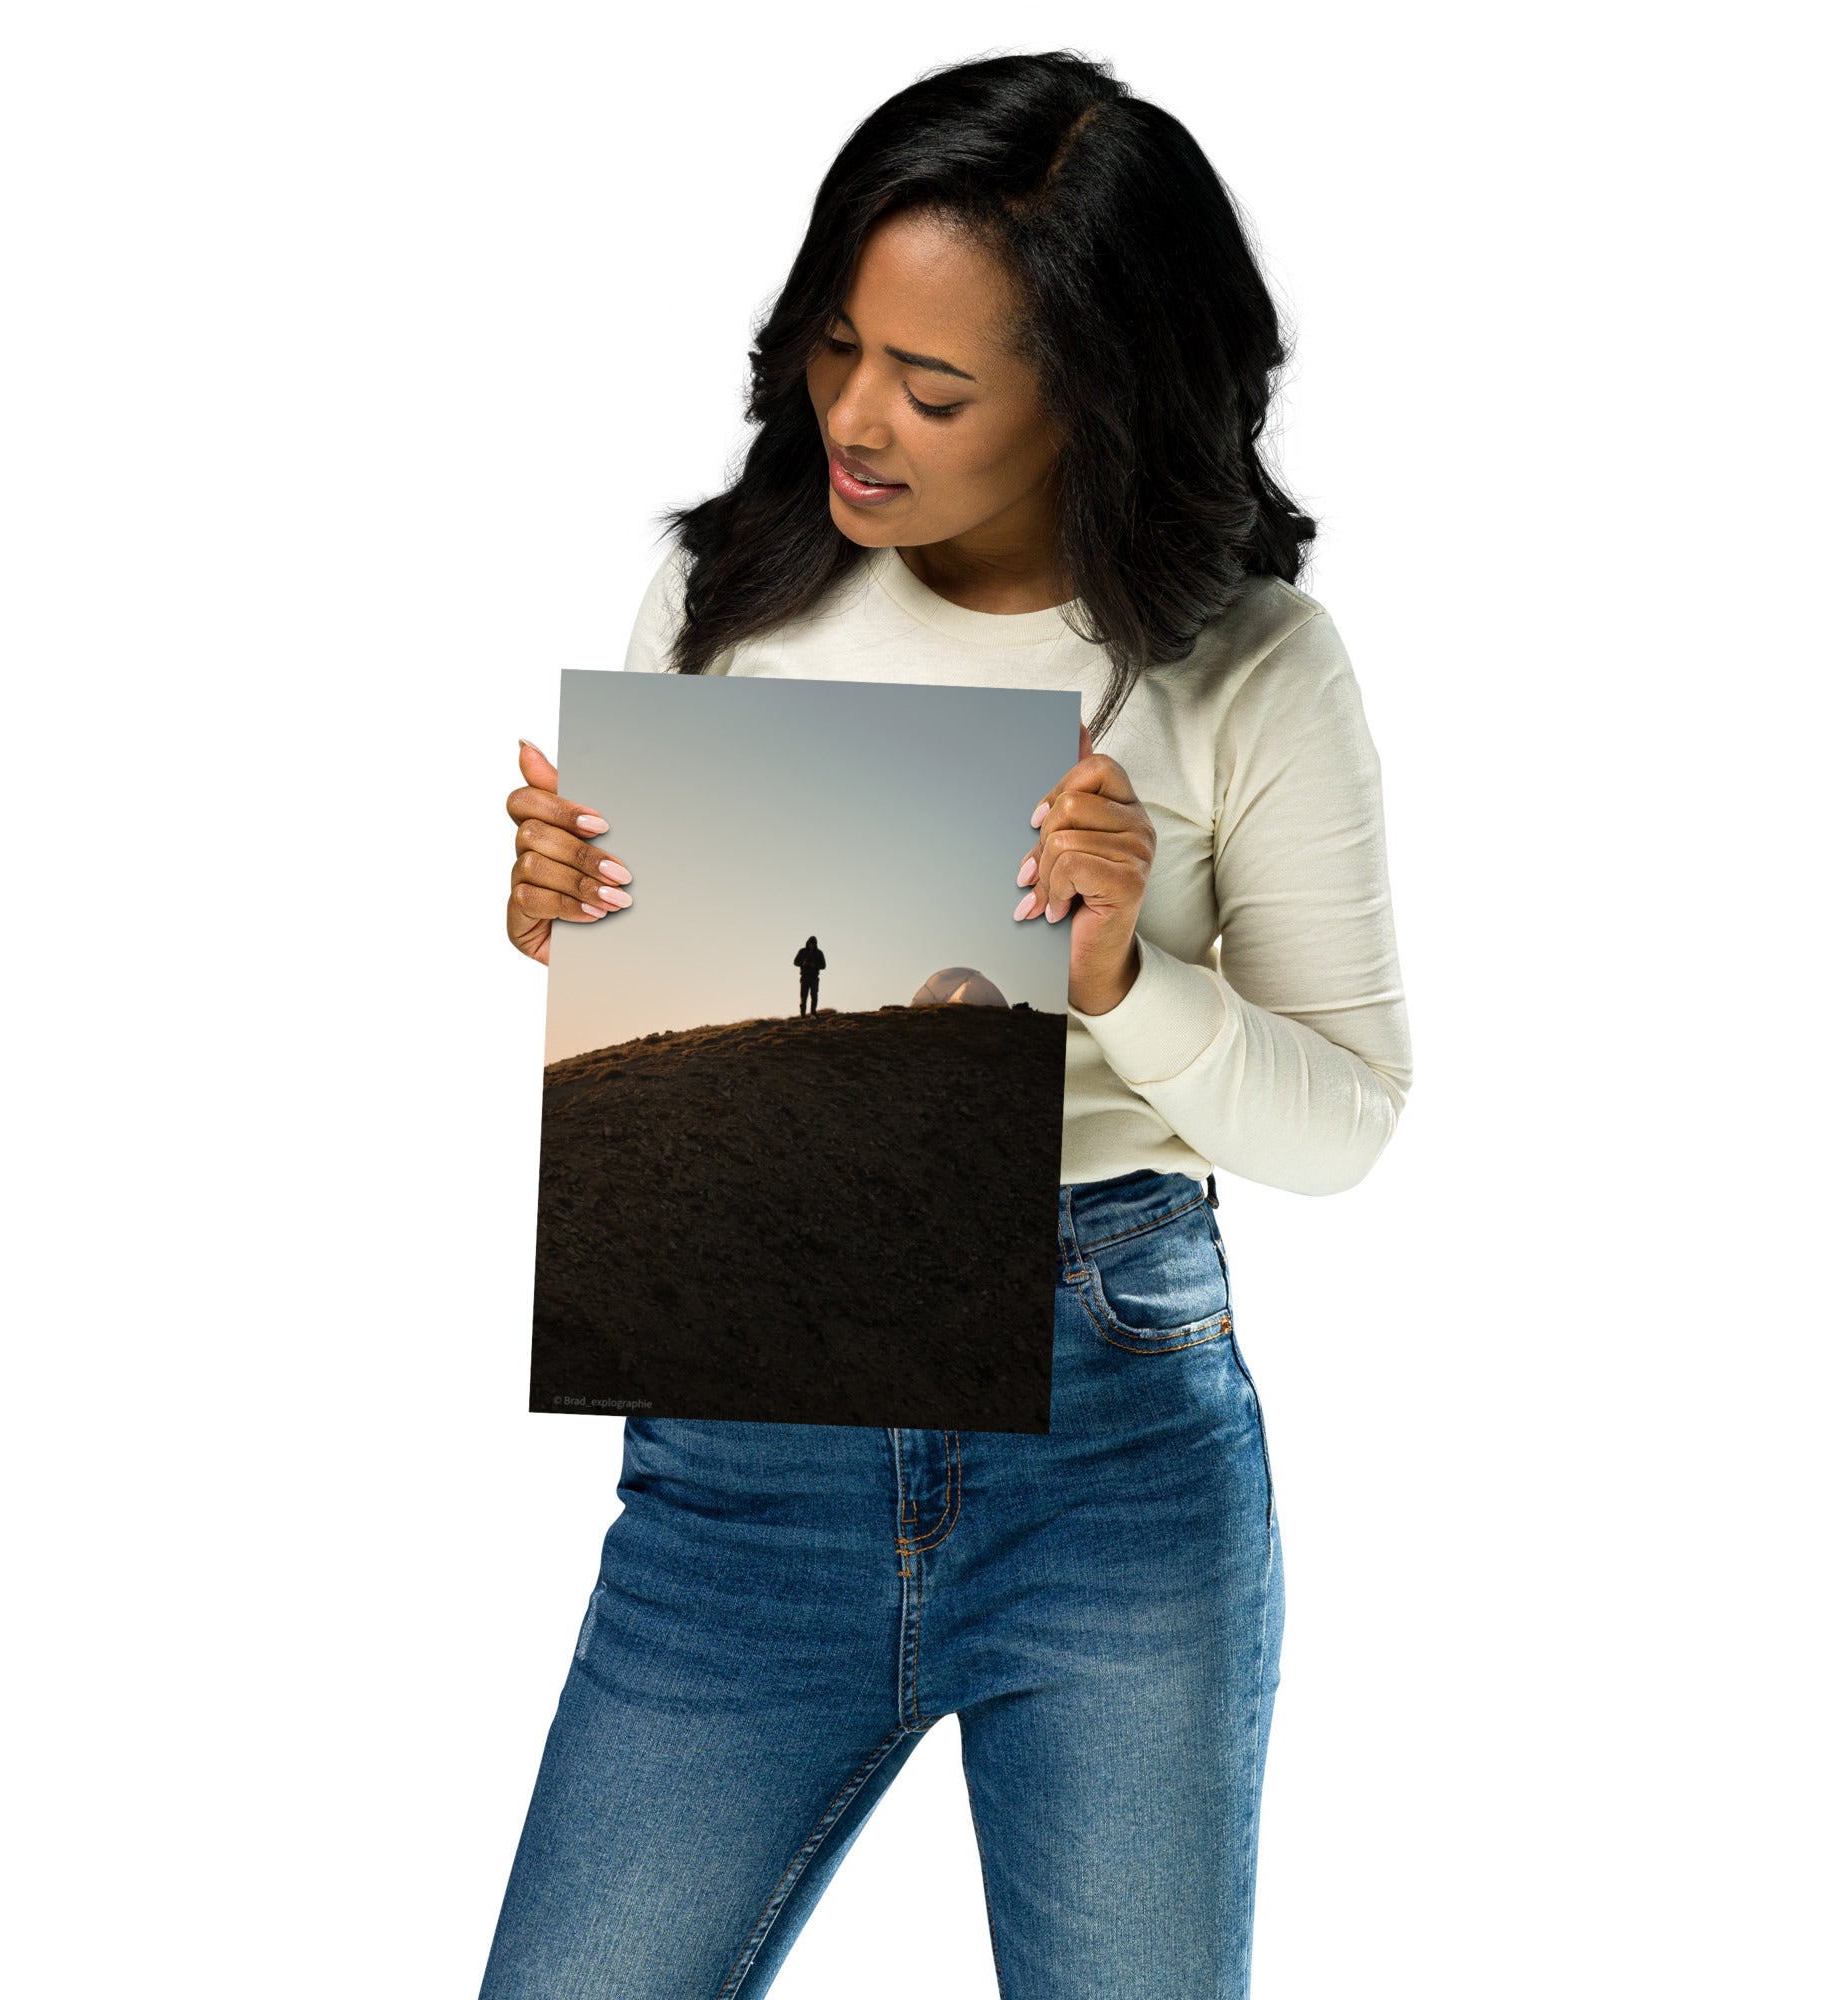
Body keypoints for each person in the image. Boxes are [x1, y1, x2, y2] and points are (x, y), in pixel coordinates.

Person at [493, 49, 1412, 1998]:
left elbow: (1343, 1123)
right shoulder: (725, 591)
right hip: (740, 1466)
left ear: (1095, 391)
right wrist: (561, 924)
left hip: (1114, 1456)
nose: (853, 418)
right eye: (837, 348)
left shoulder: (1247, 665)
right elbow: (676, 1032)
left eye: (931, 384)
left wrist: (1123, 979)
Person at [793, 935, 826, 1015]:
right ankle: (803, 1015)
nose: (812, 945)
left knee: (814, 995)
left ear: (816, 944)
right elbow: (795, 962)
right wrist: (803, 963)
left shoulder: (819, 953)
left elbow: (823, 965)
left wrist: (814, 965)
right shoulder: (802, 951)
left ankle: (813, 1012)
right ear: (808, 943)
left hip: (814, 977)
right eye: (811, 943)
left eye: (814, 944)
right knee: (803, 996)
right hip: (804, 977)